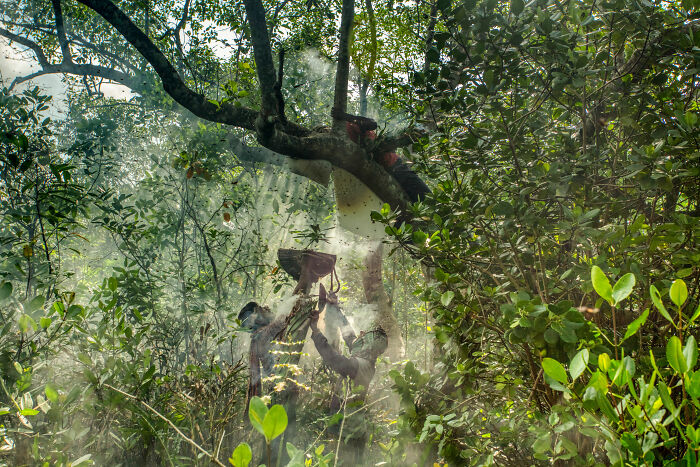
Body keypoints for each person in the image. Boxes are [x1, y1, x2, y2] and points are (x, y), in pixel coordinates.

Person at [308, 300, 388, 465]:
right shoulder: (366, 359)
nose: (360, 334)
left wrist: (315, 330)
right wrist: (337, 310)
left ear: (369, 345)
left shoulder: (360, 365)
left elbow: (333, 358)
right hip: (352, 430)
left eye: (364, 336)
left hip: (347, 432)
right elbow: (349, 336)